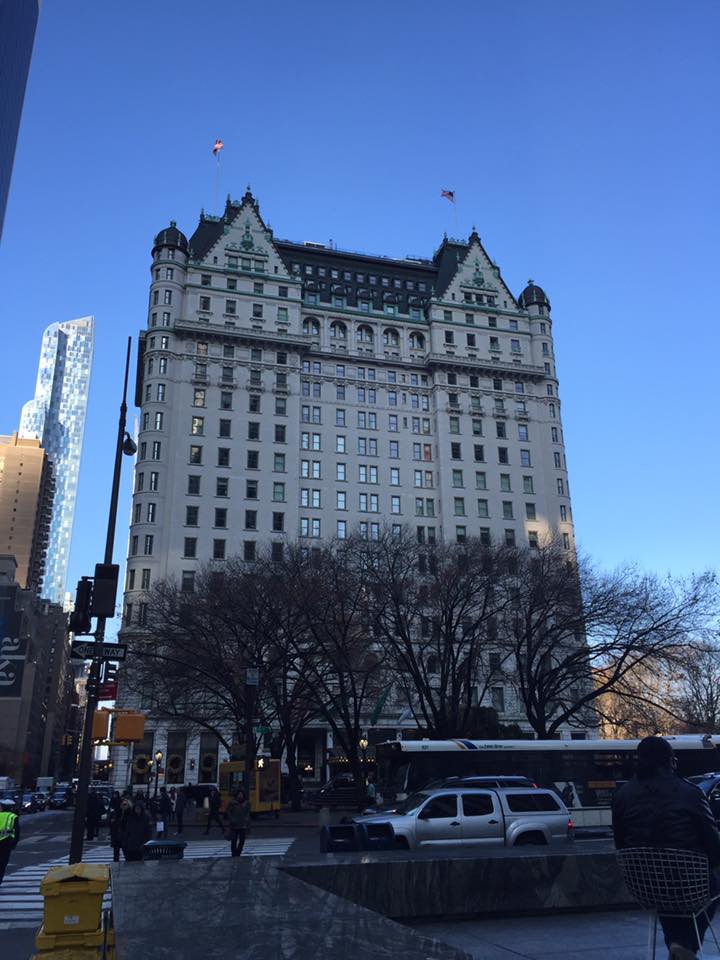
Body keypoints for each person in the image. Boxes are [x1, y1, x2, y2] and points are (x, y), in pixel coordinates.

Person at [613, 736, 720, 960]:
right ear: (671, 761)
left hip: (644, 885)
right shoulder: (690, 793)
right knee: (711, 886)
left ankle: (678, 946)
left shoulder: (622, 795)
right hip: (690, 881)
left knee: (663, 888)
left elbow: (620, 841)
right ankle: (683, 944)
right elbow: (713, 843)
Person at [224, 790, 250, 857]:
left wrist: (246, 820)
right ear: (236, 795)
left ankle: (238, 852)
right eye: (239, 794)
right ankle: (233, 853)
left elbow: (248, 812)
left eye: (241, 794)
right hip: (234, 825)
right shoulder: (232, 803)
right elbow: (228, 812)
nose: (240, 796)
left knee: (242, 840)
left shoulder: (246, 803)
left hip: (243, 824)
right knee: (234, 840)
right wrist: (231, 819)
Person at [0, 798, 20, 885]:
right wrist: (14, 843)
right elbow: (17, 831)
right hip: (6, 842)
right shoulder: (13, 817)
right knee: (2, 863)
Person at [109, 798, 129, 862]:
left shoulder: (129, 813)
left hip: (125, 836)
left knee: (127, 854)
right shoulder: (115, 813)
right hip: (117, 835)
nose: (124, 806)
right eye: (123, 804)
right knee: (116, 854)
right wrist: (112, 821)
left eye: (125, 804)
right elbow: (109, 822)